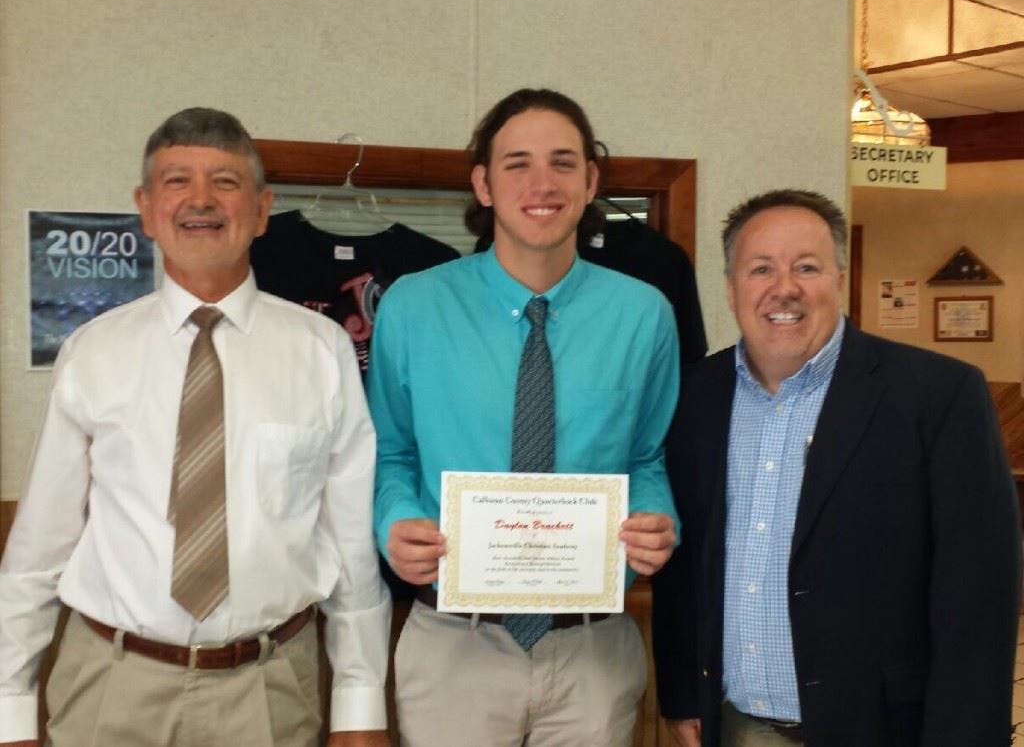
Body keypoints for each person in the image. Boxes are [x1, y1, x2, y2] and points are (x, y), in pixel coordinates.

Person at [0, 108, 390, 747]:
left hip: (269, 687)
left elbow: (347, 544)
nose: (201, 200)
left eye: (226, 182)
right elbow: (40, 545)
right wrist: (10, 707)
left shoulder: (322, 351)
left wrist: (360, 703)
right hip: (110, 684)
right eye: (178, 181)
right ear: (147, 209)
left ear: (262, 211)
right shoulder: (92, 352)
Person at [367, 88, 680, 746]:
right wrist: (394, 523)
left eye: (564, 163)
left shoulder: (644, 312)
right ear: (483, 184)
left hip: (592, 651)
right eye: (517, 163)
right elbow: (389, 453)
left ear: (591, 182)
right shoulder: (414, 306)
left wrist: (660, 519)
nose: (542, 183)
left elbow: (647, 458)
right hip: (454, 644)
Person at [651, 189, 1021, 746]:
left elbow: (979, 595)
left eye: (807, 267)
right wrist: (682, 694)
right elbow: (685, 568)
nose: (785, 288)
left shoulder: (939, 394)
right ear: (730, 289)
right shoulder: (693, 397)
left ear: (839, 278)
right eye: (760, 269)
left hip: (887, 730)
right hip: (736, 726)